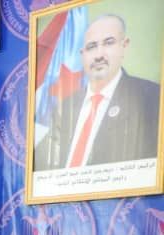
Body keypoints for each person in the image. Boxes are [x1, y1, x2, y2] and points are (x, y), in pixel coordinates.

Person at [37, 14, 160, 171]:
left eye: (109, 43)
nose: (99, 55)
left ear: (124, 46)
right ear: (82, 54)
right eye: (91, 47)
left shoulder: (150, 97)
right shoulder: (65, 106)